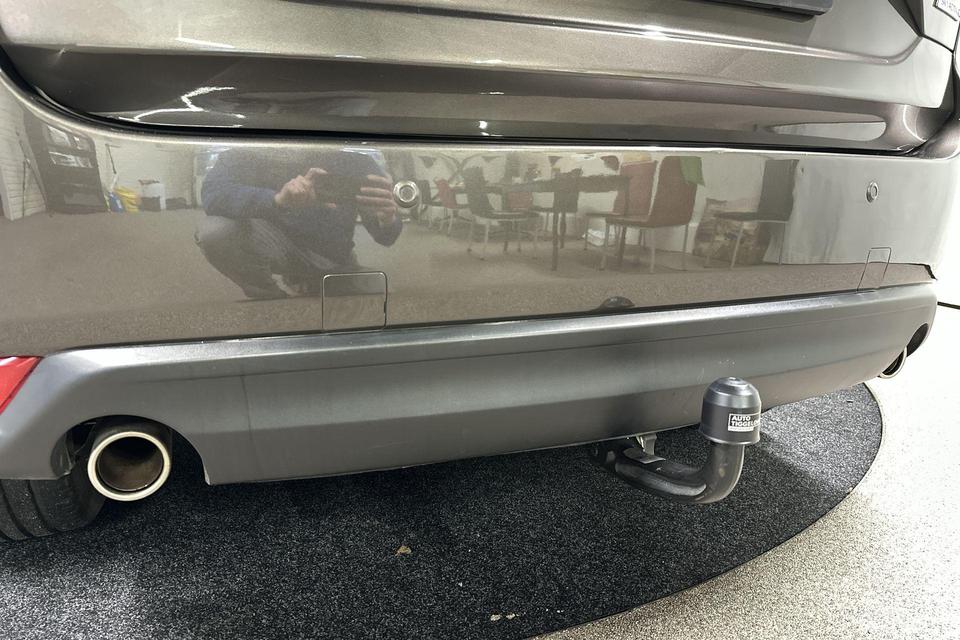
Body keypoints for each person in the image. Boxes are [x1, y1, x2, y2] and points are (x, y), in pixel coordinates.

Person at [196, 148, 402, 298]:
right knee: (215, 232)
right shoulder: (245, 154)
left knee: (381, 286)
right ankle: (270, 296)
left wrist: (387, 218)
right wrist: (277, 200)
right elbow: (213, 194)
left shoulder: (358, 162)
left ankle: (316, 281)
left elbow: (387, 238)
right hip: (276, 246)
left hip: (333, 257)